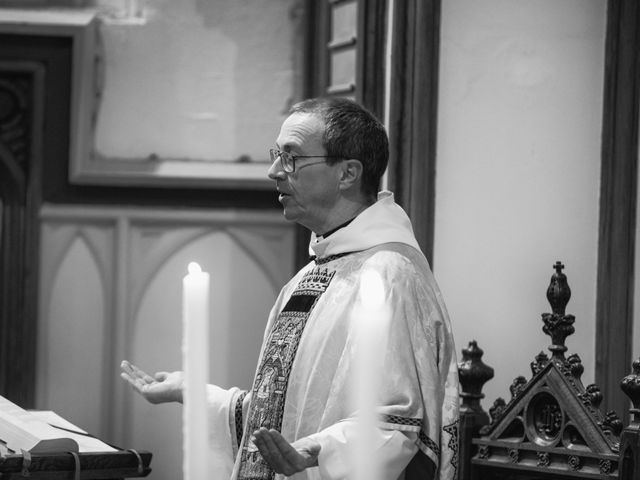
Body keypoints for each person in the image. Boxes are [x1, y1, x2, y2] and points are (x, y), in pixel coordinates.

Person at [121, 97, 459, 480]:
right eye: (276, 155)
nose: (273, 171)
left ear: (348, 173)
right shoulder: (308, 276)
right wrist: (193, 392)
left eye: (292, 157)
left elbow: (397, 429)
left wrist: (320, 452)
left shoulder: (389, 276)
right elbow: (278, 416)